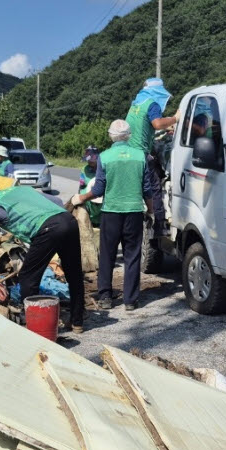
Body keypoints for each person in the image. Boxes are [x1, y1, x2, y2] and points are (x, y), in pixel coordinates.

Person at [0, 185, 85, 333]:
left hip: (48, 229)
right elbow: (57, 200)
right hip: (69, 221)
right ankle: (77, 322)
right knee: (74, 274)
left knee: (28, 278)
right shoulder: (18, 189)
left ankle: (35, 327)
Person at [72, 120, 153, 311]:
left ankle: (106, 297)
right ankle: (131, 300)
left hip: (111, 213)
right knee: (132, 256)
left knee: (107, 255)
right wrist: (150, 211)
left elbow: (99, 189)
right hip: (133, 212)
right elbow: (147, 189)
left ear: (111, 136)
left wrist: (81, 197)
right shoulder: (140, 156)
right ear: (129, 135)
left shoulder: (105, 157)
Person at [125, 78, 180, 236]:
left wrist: (166, 125)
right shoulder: (152, 104)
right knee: (154, 188)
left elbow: (143, 124)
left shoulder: (136, 103)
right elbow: (156, 123)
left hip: (129, 152)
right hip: (140, 154)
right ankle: (159, 227)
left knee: (136, 189)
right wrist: (175, 118)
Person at [78, 146, 102, 227]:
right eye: (88, 160)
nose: (90, 162)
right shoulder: (84, 169)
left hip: (101, 204)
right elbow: (81, 186)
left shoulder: (103, 169)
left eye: (92, 160)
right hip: (87, 202)